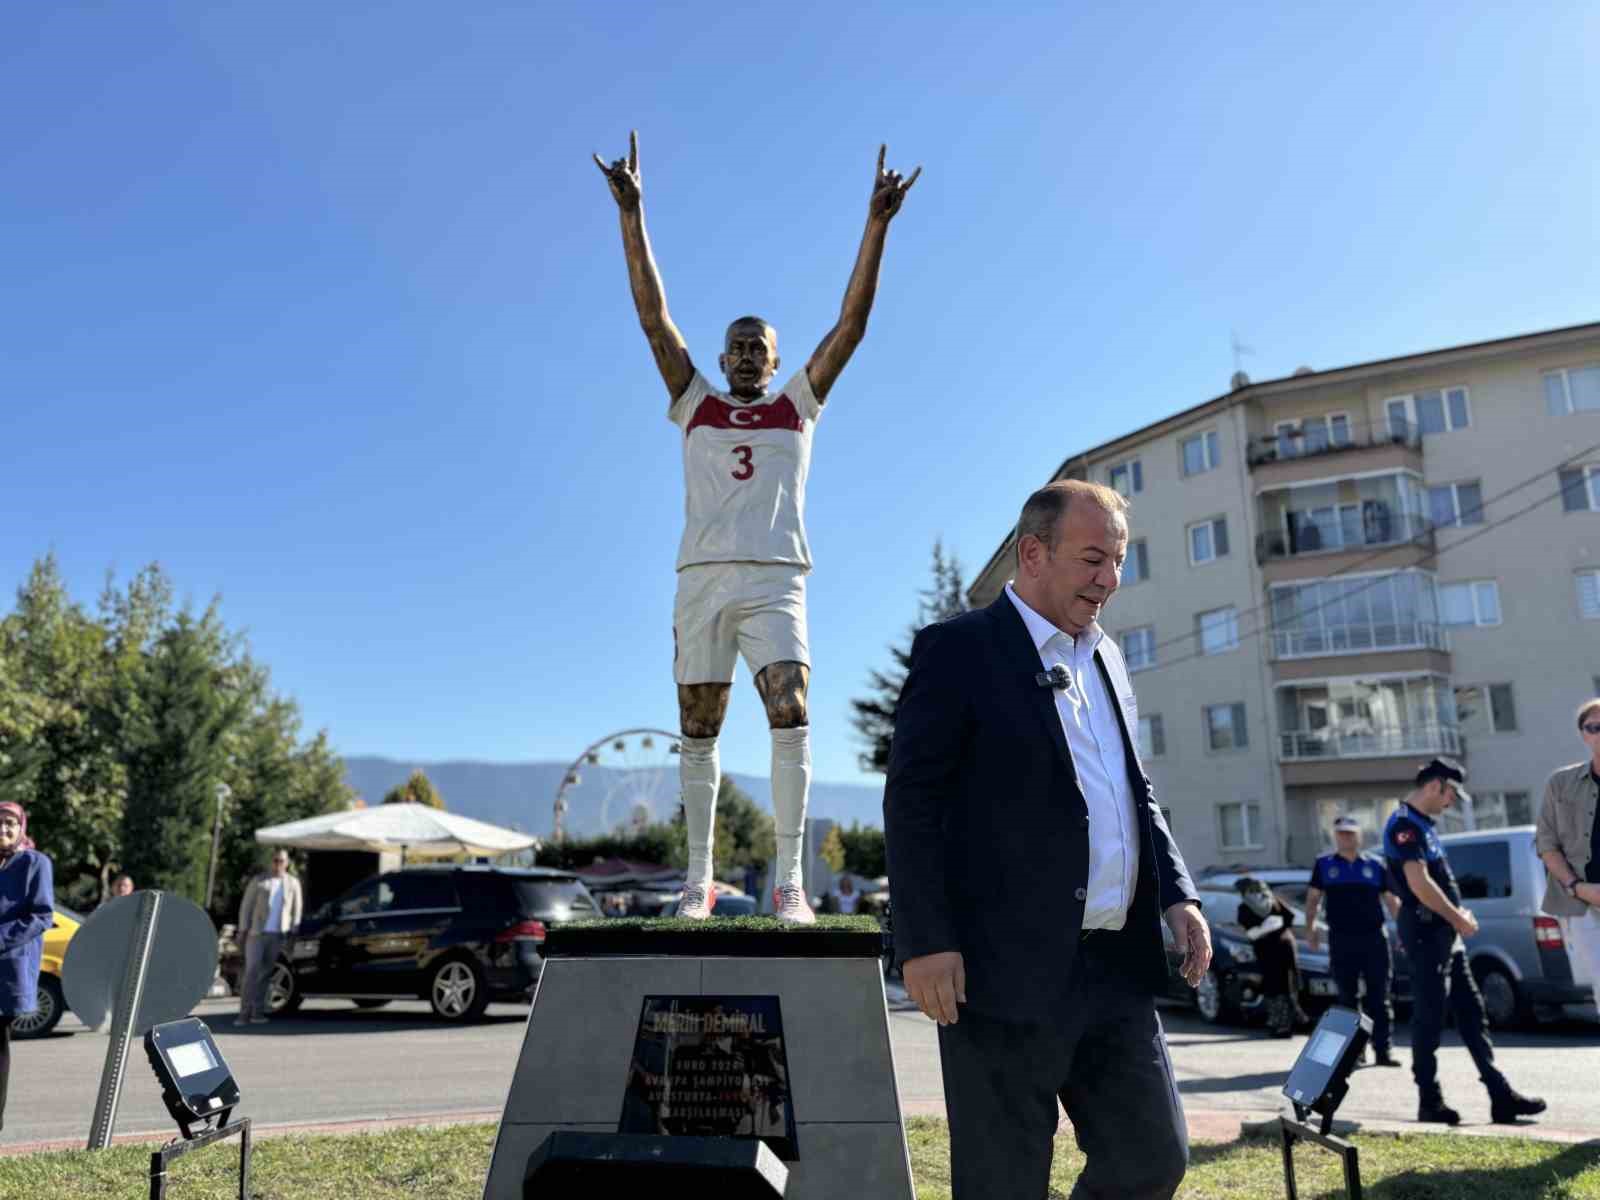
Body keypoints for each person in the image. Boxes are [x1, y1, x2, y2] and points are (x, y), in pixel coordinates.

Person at [593, 132, 919, 925]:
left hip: (776, 578)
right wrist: (633, 215)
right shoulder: (694, 403)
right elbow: (651, 317)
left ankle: (790, 883)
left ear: (774, 362)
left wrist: (876, 225)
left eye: (758, 348)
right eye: (735, 346)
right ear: (721, 355)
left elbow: (852, 325)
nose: (745, 356)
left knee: (792, 709)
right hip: (702, 579)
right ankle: (698, 881)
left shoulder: (796, 406)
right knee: (698, 729)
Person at [884, 479, 1210, 1200]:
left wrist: (1177, 894)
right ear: (1032, 554)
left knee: (1152, 1158)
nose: (1110, 580)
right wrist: (924, 939)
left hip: (1113, 968)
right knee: (1002, 1184)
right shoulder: (959, 650)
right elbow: (912, 802)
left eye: (1119, 561)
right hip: (997, 974)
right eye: (1093, 558)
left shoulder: (1107, 658)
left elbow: (1134, 792)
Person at [1383, 757, 1545, 1125]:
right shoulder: (1404, 826)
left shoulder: (1423, 824)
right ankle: (1430, 1100)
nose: (1453, 800)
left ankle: (1499, 1094)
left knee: (1471, 1012)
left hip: (1443, 935)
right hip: (1426, 933)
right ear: (1434, 786)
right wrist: (1457, 917)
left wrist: (1455, 921)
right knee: (1428, 1016)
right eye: (1452, 792)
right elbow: (1419, 884)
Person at [1305, 815, 1402, 1067]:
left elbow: (1391, 900)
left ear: (1359, 836)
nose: (1346, 837)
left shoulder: (1376, 864)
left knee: (1379, 997)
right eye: (1341, 833)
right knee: (1348, 998)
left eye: (1350, 833)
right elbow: (1313, 899)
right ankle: (1354, 1052)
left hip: (1374, 938)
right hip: (1342, 938)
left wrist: (1402, 931)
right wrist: (1311, 929)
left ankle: (1383, 1050)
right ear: (1335, 836)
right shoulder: (1324, 864)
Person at [1533, 698, 1600, 990]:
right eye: (1594, 727)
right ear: (1583, 735)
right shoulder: (1560, 783)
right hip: (1583, 905)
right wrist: (1577, 887)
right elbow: (1547, 844)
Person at [0, 801, 55, 1133]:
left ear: (21, 828)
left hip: (8, 971)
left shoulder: (35, 863)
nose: (3, 828)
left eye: (10, 823)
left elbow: (41, 915)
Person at [236, 850, 303, 1025]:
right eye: (275, 861)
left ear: (287, 863)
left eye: (281, 861)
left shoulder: (293, 883)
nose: (278, 864)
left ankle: (258, 1012)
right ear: (271, 862)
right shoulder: (259, 880)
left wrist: (293, 932)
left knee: (266, 974)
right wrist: (243, 929)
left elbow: (297, 909)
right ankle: (244, 1013)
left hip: (278, 934)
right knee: (252, 971)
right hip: (256, 933)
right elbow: (246, 906)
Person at [1235, 877, 1303, 1037]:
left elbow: (1251, 932)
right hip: (1280, 949)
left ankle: (1282, 1025)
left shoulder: (1249, 906)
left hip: (1273, 951)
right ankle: (1285, 1023)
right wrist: (1273, 928)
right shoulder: (1271, 901)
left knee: (1278, 987)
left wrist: (1267, 929)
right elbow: (1290, 917)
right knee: (1282, 986)